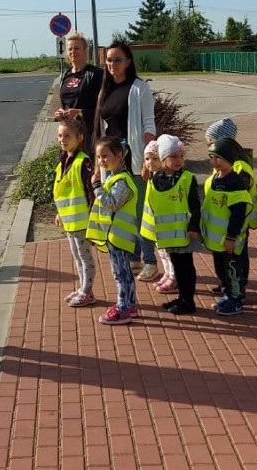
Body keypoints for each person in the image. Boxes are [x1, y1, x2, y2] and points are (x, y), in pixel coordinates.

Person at [93, 41, 158, 282]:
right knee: (122, 213)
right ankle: (134, 258)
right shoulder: (105, 90)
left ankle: (151, 262)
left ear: (128, 62)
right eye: (109, 60)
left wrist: (147, 160)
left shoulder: (139, 88)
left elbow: (149, 124)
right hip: (112, 162)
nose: (112, 64)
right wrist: (100, 167)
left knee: (141, 213)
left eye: (118, 60)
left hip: (135, 159)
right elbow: (101, 128)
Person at [141, 134, 201, 315]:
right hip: (167, 236)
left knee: (185, 268)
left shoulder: (186, 178)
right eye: (174, 156)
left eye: (181, 156)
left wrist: (193, 226)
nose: (179, 160)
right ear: (163, 158)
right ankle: (181, 297)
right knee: (176, 266)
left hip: (183, 234)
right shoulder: (156, 178)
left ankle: (188, 301)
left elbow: (195, 205)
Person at [86, 136, 140, 325]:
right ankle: (130, 305)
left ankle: (124, 307)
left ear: (119, 156)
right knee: (123, 272)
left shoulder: (122, 181)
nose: (101, 161)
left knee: (121, 273)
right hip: (114, 236)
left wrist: (96, 187)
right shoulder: (114, 178)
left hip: (119, 237)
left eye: (105, 156)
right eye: (98, 157)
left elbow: (112, 204)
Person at [205, 118, 257, 296]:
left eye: (211, 143)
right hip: (223, 224)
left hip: (235, 224)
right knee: (223, 258)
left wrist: (232, 233)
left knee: (236, 257)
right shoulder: (222, 166)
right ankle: (226, 284)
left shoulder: (238, 168)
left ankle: (238, 287)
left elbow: (238, 199)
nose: (209, 147)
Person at [202, 138, 251, 316]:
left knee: (232, 270)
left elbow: (238, 214)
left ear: (228, 159)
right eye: (211, 157)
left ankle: (236, 299)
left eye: (217, 158)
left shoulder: (234, 183)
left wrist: (231, 236)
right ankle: (227, 294)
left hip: (228, 240)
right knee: (221, 270)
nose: (213, 162)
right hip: (217, 240)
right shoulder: (215, 179)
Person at [53, 118, 97, 307]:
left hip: (82, 221)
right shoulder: (63, 161)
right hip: (69, 221)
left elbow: (91, 191)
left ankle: (87, 291)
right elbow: (61, 190)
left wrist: (94, 218)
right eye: (60, 136)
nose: (63, 140)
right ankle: (82, 288)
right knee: (77, 256)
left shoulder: (82, 162)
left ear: (80, 138)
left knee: (85, 257)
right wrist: (59, 213)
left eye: (67, 136)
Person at [55, 33, 104, 156]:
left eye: (77, 48)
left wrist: (80, 112)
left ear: (85, 51)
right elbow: (66, 103)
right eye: (70, 49)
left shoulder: (96, 74)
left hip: (88, 135)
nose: (73, 52)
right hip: (69, 137)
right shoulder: (65, 75)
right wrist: (60, 113)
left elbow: (105, 108)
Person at [141, 141, 175, 293]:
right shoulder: (152, 177)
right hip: (156, 226)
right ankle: (167, 274)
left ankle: (174, 277)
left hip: (165, 226)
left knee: (169, 253)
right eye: (147, 159)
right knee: (162, 252)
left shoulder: (163, 179)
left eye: (155, 158)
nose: (150, 163)